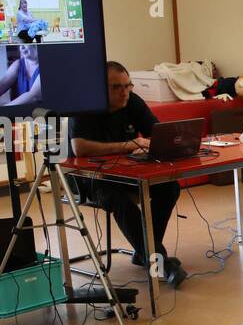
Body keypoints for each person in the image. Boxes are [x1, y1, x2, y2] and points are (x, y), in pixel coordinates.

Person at [69, 61, 185, 288]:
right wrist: (127, 145)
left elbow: (157, 132)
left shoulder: (132, 101)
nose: (124, 92)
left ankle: (144, 251)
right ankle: (159, 262)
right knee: (119, 199)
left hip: (127, 172)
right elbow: (79, 148)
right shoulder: (84, 106)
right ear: (100, 88)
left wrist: (171, 142)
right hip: (88, 177)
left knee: (169, 187)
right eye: (116, 87)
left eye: (127, 86)